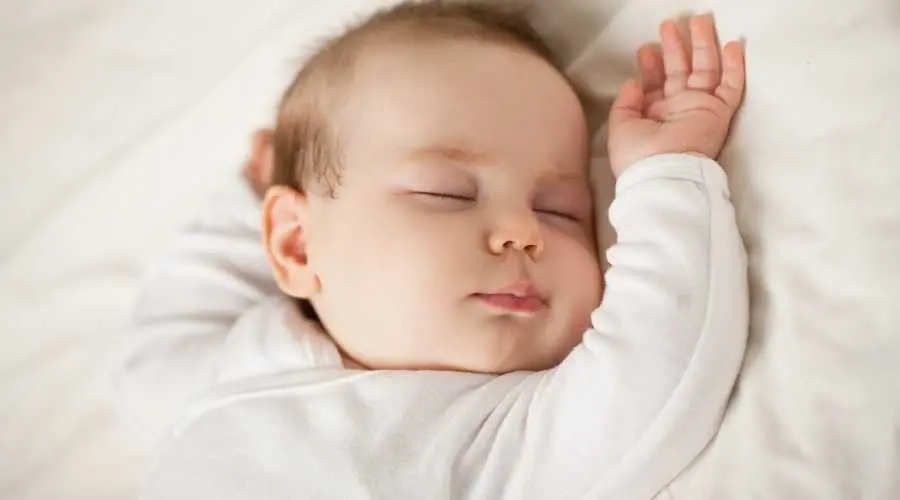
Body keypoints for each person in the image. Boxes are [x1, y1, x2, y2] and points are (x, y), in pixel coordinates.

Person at [115, 2, 748, 499]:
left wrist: (665, 177)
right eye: (446, 194)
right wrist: (252, 194)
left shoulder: (498, 435)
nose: (520, 231)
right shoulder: (240, 362)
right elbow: (155, 353)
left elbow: (657, 369)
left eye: (560, 211)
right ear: (297, 243)